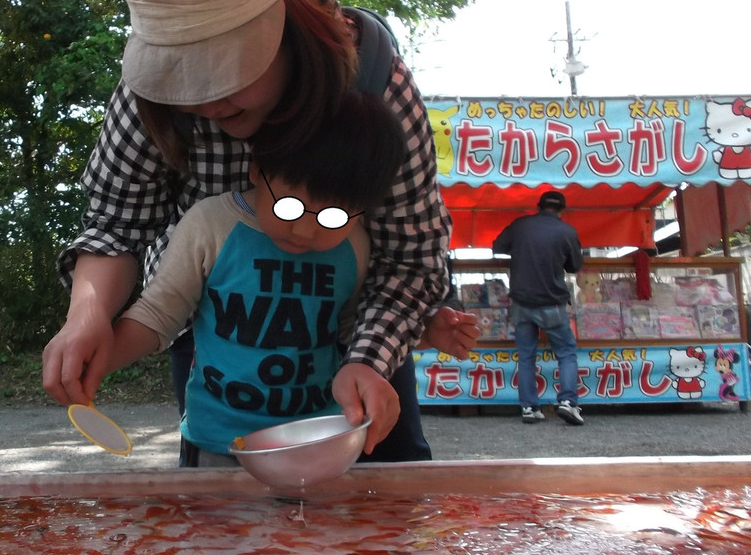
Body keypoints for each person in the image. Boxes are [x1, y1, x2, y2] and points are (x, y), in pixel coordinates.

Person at [42, 0, 465, 459]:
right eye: (181, 73)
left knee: (379, 513)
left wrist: (369, 359)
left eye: (226, 65)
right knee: (221, 514)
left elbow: (410, 256)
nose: (204, 98)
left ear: (281, 22)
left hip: (355, 367)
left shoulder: (372, 85)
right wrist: (87, 315)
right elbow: (116, 223)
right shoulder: (150, 99)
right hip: (221, 346)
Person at [81, 91, 473, 464]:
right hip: (218, 442)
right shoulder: (209, 226)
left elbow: (351, 328)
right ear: (258, 170)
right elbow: (159, 314)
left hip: (316, 438)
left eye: (331, 217)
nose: (304, 230)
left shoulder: (354, 245)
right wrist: (93, 360)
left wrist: (423, 331)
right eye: (289, 206)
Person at [492, 191, 585, 426]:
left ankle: (529, 408)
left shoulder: (521, 225)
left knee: (526, 356)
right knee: (566, 353)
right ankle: (568, 403)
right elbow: (574, 266)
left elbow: (498, 246)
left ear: (538, 206)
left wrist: (521, 250)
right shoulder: (567, 231)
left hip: (521, 303)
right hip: (552, 303)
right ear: (562, 210)